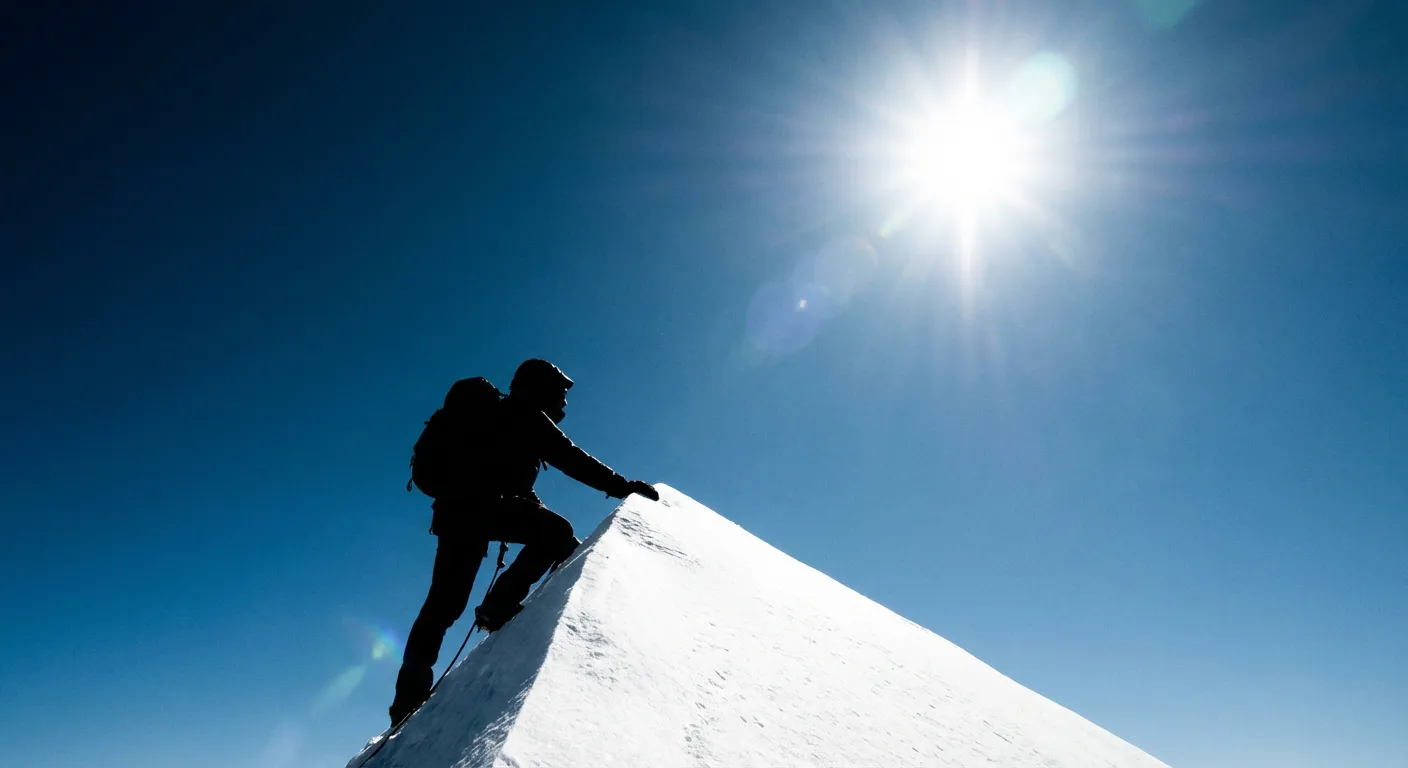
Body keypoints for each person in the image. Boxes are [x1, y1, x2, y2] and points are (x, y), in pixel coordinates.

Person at [389, 358, 659, 725]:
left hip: (456, 515)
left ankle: (406, 701)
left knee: (443, 606)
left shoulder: (502, 416)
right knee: (557, 534)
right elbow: (572, 459)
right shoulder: (525, 413)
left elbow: (514, 483)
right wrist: (623, 486)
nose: (563, 404)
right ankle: (498, 606)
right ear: (538, 387)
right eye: (560, 394)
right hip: (479, 510)